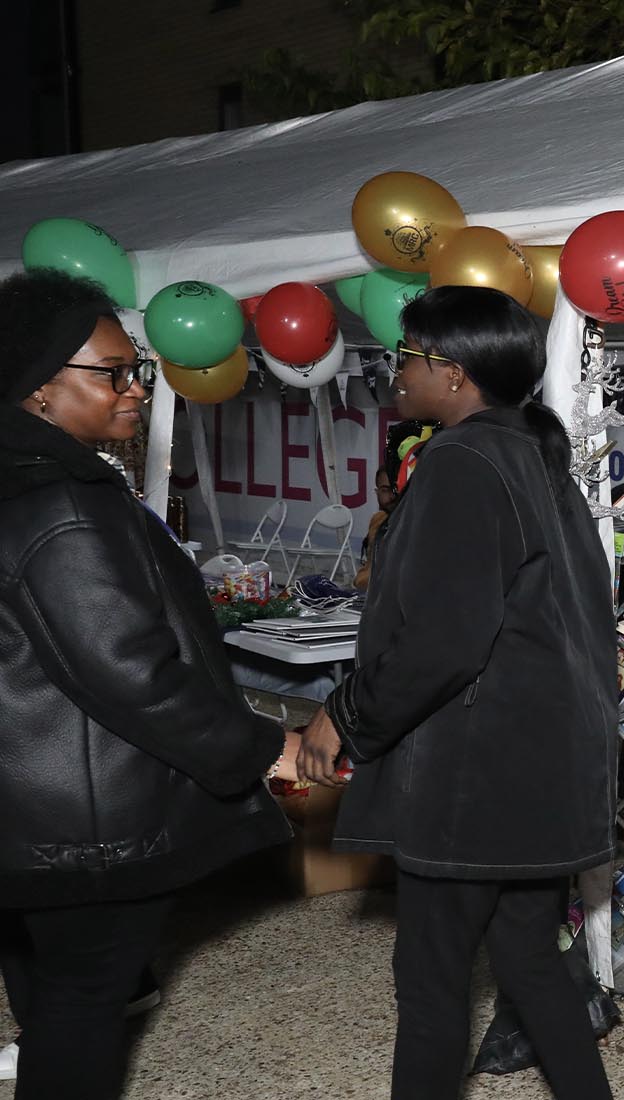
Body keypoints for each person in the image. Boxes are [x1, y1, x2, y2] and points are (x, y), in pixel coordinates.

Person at [296, 285, 616, 1100]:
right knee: (531, 967)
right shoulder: (529, 457)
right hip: (533, 771)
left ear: (455, 372)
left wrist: (348, 718)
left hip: (475, 781)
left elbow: (444, 641)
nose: (395, 371)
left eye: (407, 357)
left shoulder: (465, 462)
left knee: (433, 992)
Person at [0, 269, 296, 1099]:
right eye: (112, 373)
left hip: (27, 812)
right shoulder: (59, 503)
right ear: (38, 389)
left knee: (50, 994)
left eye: (137, 370)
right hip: (83, 830)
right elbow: (131, 674)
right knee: (83, 1011)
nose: (135, 389)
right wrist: (256, 749)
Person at [352, 463, 398, 590]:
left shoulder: (415, 524)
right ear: (377, 492)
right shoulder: (377, 520)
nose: (391, 496)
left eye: (396, 489)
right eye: (385, 490)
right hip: (367, 592)